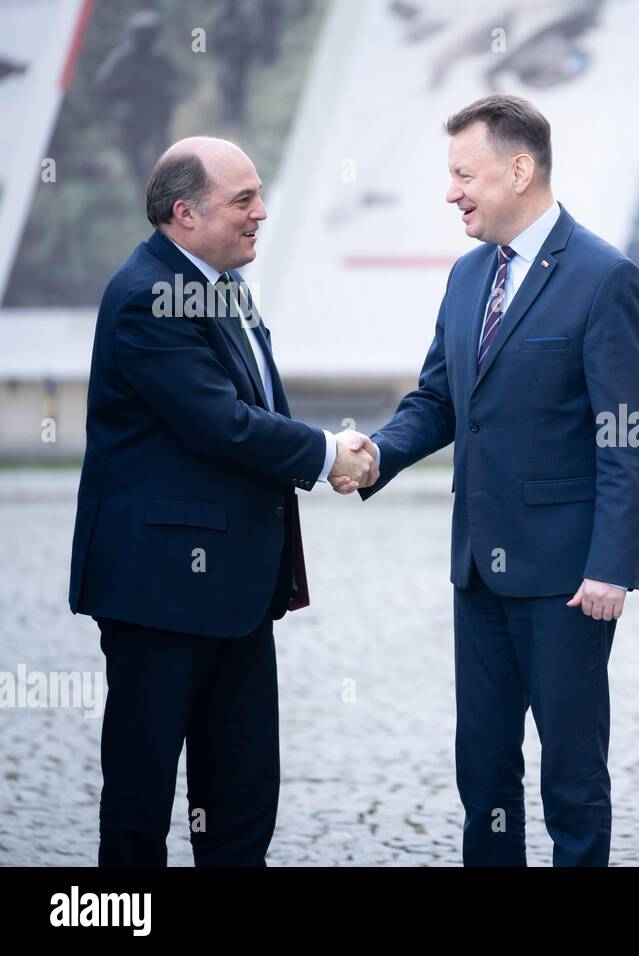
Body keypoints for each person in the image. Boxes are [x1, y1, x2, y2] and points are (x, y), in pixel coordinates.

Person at [338, 94, 639, 866]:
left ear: (519, 170)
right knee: (483, 772)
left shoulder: (605, 276)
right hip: (479, 571)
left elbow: (628, 436)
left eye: (463, 174)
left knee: (573, 778)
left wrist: (611, 566)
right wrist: (378, 454)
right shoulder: (466, 275)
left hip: (568, 582)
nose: (452, 192)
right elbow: (441, 399)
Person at [68, 136, 374, 866]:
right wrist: (328, 453)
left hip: (236, 594)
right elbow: (220, 423)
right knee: (139, 814)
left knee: (240, 807)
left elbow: (253, 409)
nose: (262, 213)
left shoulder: (222, 282)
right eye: (244, 201)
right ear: (184, 213)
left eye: (258, 195)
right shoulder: (149, 295)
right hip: (159, 595)